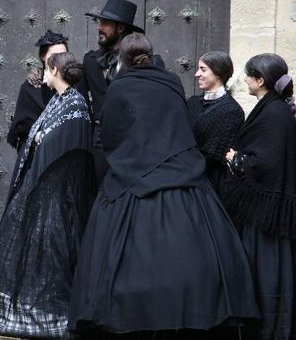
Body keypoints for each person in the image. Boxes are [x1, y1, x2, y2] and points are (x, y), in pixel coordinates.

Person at [69, 34, 259, 339]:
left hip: (132, 174)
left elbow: (112, 134)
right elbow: (177, 122)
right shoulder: (172, 82)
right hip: (179, 170)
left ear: (124, 59)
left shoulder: (119, 86)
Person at [0, 52, 96, 339]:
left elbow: (71, 151)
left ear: (54, 70)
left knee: (51, 257)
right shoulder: (58, 100)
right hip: (42, 189)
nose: (42, 73)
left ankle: (48, 316)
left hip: (57, 196)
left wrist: (43, 140)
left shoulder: (76, 104)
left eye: (46, 67)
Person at [221, 53, 296, 340]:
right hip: (265, 213)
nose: (244, 80)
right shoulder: (272, 109)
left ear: (260, 80)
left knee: (267, 273)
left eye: (248, 75)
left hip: (267, 215)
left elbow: (265, 163)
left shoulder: (274, 114)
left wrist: (235, 157)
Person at [83, 0, 164, 184]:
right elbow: (79, 100)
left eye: (105, 23)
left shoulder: (150, 62)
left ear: (120, 28)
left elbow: (156, 103)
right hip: (100, 140)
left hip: (134, 140)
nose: (99, 27)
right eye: (99, 21)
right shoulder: (90, 60)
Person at [187, 52, 244, 194]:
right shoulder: (193, 102)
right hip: (184, 177)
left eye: (203, 69)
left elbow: (213, 155)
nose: (197, 74)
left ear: (218, 72)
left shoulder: (232, 111)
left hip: (210, 186)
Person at [7, 30, 68, 151]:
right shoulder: (30, 88)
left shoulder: (77, 83)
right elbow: (22, 126)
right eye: (55, 56)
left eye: (64, 55)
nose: (61, 60)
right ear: (43, 58)